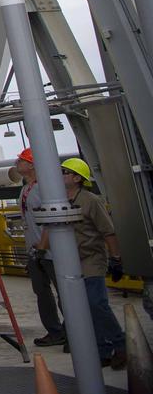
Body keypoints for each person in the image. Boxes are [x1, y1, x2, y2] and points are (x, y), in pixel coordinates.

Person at [51, 157, 126, 369]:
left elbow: (108, 231)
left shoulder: (90, 201)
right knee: (80, 308)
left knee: (96, 303)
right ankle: (102, 350)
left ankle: (120, 345)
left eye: (66, 172)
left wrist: (116, 258)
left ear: (77, 178)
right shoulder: (58, 199)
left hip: (92, 259)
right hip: (71, 262)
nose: (61, 174)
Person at [15, 148, 66, 347]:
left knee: (64, 293)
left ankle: (72, 331)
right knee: (42, 293)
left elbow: (50, 219)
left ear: (32, 165)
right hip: (35, 251)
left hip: (49, 251)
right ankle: (55, 331)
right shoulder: (25, 189)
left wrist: (43, 245)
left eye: (21, 160)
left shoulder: (45, 188)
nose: (17, 163)